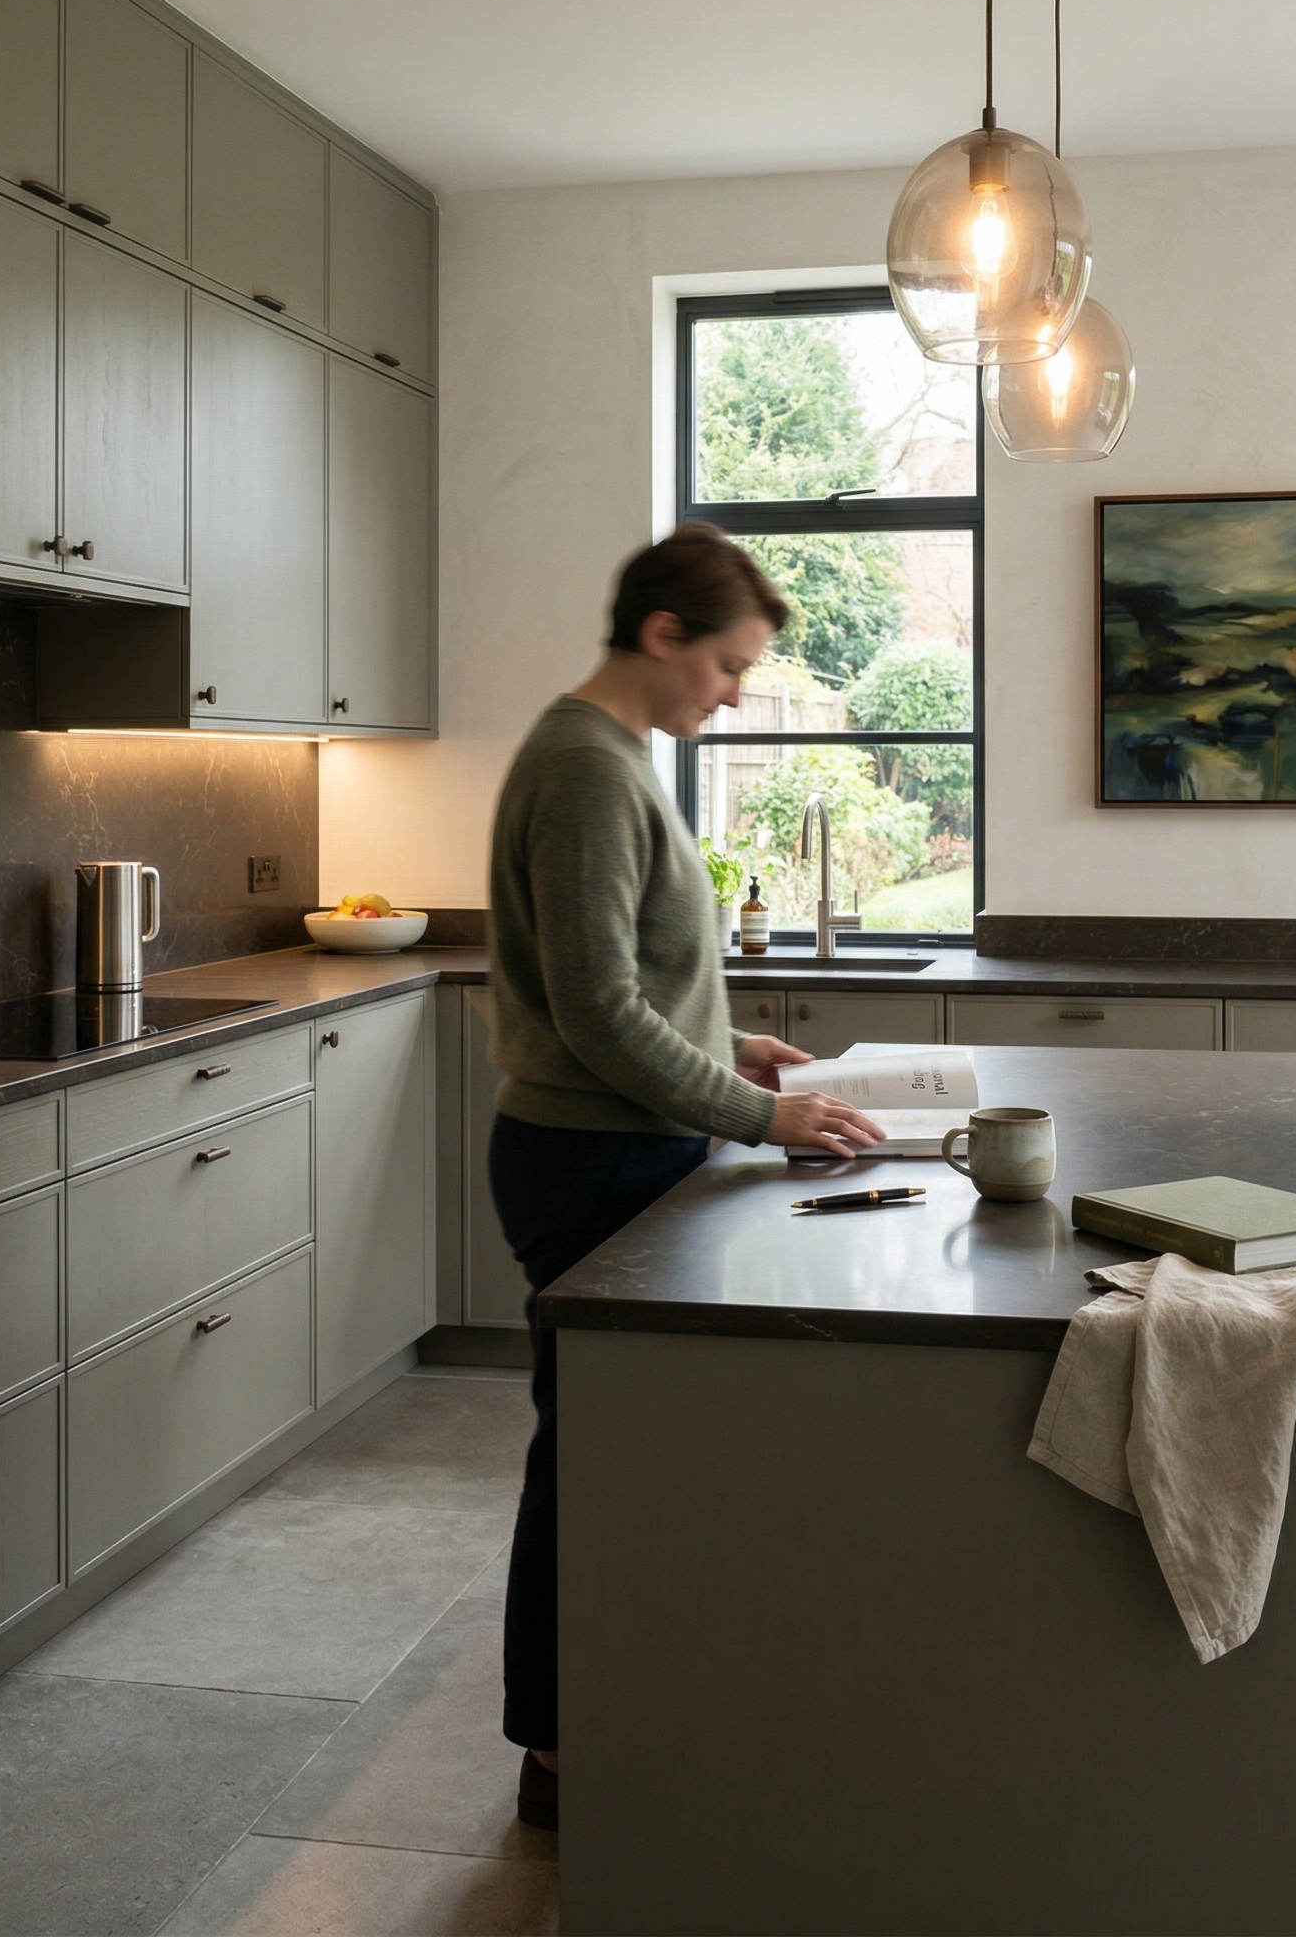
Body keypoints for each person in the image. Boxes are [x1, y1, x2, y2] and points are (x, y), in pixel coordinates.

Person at [487, 521, 883, 1832]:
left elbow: (628, 984)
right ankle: (556, 1749)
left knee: (610, 1443)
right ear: (662, 636)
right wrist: (768, 1114)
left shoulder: (607, 757)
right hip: (590, 1160)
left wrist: (728, 1043)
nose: (734, 691)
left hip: (618, 1145)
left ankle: (600, 1713)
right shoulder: (591, 769)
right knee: (589, 1451)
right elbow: (597, 1012)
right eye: (727, 665)